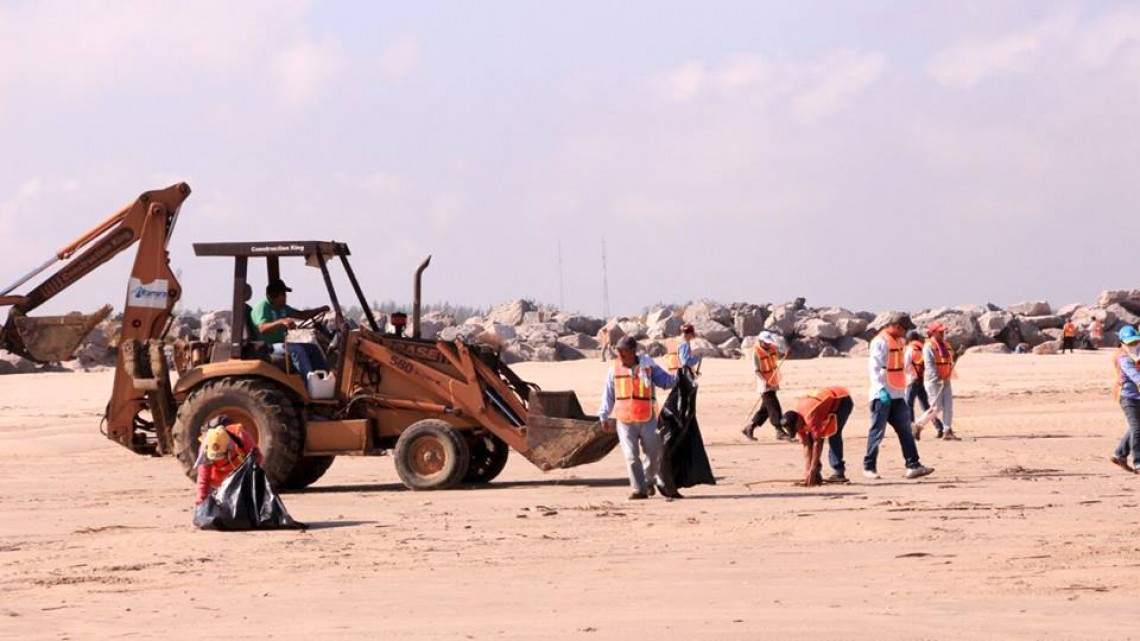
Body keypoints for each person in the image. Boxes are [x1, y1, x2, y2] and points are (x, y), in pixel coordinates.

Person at [598, 335, 679, 499]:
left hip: (647, 417)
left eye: (624, 351)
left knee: (653, 454)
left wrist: (680, 370)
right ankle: (639, 489)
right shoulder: (614, 369)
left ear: (633, 351)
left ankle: (648, 480)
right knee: (631, 456)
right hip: (625, 419)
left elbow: (666, 382)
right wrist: (604, 415)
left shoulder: (648, 367)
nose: (620, 354)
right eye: (618, 351)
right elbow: (608, 395)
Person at [864, 312, 934, 480]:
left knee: (906, 431)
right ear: (896, 326)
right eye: (905, 328)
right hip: (881, 396)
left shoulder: (900, 342)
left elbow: (902, 367)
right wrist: (881, 389)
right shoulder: (879, 342)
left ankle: (913, 465)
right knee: (877, 432)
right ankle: (869, 467)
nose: (906, 332)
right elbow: (874, 368)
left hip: (897, 395)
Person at [250, 279, 331, 379]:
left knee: (312, 348)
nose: (285, 297)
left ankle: (324, 379)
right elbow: (261, 328)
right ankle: (309, 382)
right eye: (284, 294)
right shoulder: (262, 307)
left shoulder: (282, 307)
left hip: (281, 344)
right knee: (297, 350)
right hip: (267, 347)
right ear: (276, 295)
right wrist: (281, 322)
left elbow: (301, 315)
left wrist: (319, 310)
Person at [782, 387, 853, 485]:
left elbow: (818, 442)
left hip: (842, 400)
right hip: (824, 407)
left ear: (798, 421)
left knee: (833, 434)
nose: (798, 430)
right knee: (811, 438)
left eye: (796, 428)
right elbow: (806, 444)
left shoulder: (810, 416)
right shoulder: (796, 420)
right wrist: (808, 469)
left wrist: (813, 468)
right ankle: (815, 475)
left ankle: (838, 472)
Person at [195, 416, 262, 505]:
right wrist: (200, 503)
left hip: (241, 475)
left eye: (220, 456)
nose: (218, 459)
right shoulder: (205, 449)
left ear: (228, 448)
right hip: (218, 481)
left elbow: (258, 459)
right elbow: (203, 478)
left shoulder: (241, 437)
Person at [743, 331, 793, 441]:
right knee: (774, 407)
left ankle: (749, 427)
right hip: (764, 384)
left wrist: (786, 355)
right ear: (760, 341)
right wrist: (765, 382)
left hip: (773, 380)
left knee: (766, 409)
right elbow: (756, 370)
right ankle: (779, 430)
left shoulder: (772, 347)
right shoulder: (756, 352)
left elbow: (778, 357)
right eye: (765, 342)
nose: (767, 344)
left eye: (768, 342)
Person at [918, 322, 960, 440]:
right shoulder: (928, 347)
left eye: (943, 331)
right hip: (933, 381)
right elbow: (929, 365)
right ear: (933, 332)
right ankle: (918, 425)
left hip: (946, 379)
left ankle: (947, 431)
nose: (943, 333)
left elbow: (951, 359)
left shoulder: (946, 344)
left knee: (948, 406)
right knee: (936, 408)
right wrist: (938, 378)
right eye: (940, 331)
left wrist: (958, 355)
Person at [1110, 326, 1140, 473]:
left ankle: (1119, 454)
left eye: (1136, 342)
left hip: (1138, 395)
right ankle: (1138, 463)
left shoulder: (1136, 353)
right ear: (1122, 342)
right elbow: (1136, 377)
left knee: (1136, 426)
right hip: (1127, 396)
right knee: (1137, 428)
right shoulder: (1123, 358)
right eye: (1131, 343)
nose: (1134, 345)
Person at [904, 330, 943, 440]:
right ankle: (939, 427)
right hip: (923, 379)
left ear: (909, 339)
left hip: (912, 380)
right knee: (926, 406)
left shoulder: (910, 349)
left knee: (908, 405)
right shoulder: (924, 347)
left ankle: (911, 428)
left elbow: (906, 365)